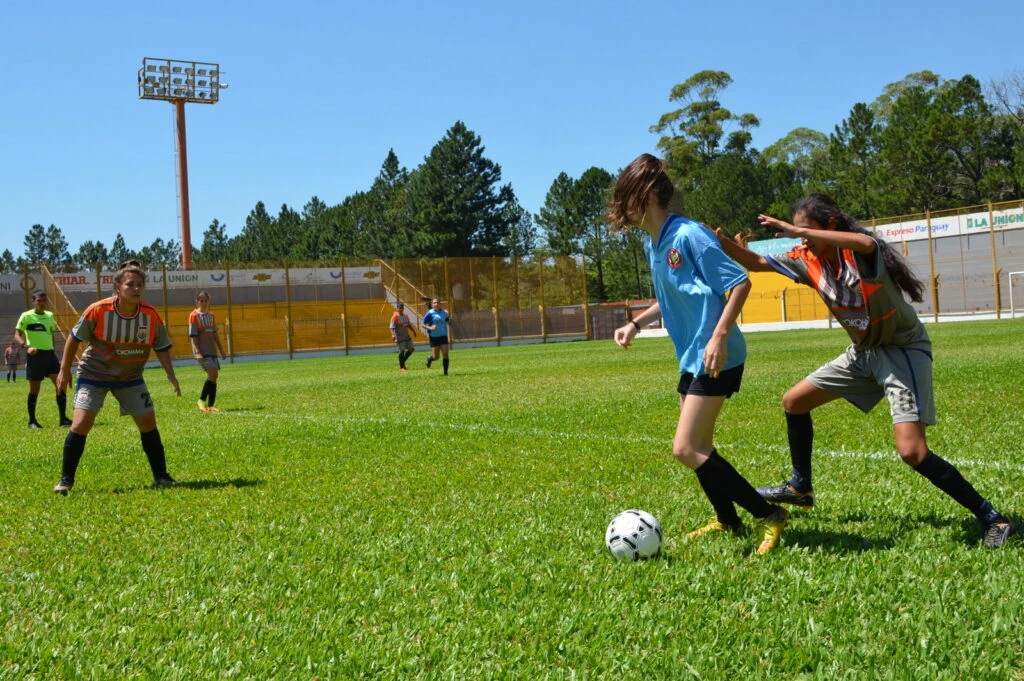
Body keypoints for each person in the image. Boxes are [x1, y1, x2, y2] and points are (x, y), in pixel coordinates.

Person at [717, 193, 1014, 548]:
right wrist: (719, 244)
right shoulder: (806, 259)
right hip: (863, 353)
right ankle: (800, 487)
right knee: (794, 401)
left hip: (901, 351)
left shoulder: (858, 252)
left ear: (831, 226)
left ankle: (993, 518)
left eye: (806, 230)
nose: (801, 238)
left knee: (912, 452)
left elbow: (865, 241)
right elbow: (756, 261)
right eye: (798, 231)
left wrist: (789, 228)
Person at [607, 153, 789, 554]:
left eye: (626, 199)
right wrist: (636, 323)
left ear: (647, 195)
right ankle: (727, 519)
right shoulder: (653, 243)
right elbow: (669, 294)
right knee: (700, 446)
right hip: (693, 356)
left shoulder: (689, 235)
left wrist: (719, 336)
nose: (621, 210)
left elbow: (739, 283)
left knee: (686, 448)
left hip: (717, 355)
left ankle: (769, 515)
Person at [52, 260, 181, 495]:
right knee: (81, 423)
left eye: (140, 284)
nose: (136, 289)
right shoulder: (98, 310)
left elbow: (161, 346)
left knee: (148, 423)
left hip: (130, 378)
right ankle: (66, 480)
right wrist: (64, 369)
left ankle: (161, 476)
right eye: (130, 284)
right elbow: (74, 338)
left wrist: (170, 374)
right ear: (118, 287)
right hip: (94, 374)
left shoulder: (150, 316)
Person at [15, 290, 71, 428]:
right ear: (33, 301)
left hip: (50, 355)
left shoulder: (50, 316)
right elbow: (17, 335)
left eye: (44, 301)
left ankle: (63, 419)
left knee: (60, 386)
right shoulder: (26, 316)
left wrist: (53, 352)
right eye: (39, 301)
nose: (42, 303)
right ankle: (32, 422)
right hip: (35, 357)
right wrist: (26, 346)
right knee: (35, 390)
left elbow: (49, 335)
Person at [189, 290, 228, 412]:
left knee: (214, 376)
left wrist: (221, 350)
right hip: (202, 351)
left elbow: (215, 334)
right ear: (197, 302)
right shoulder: (193, 316)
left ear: (208, 301)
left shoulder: (211, 315)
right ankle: (201, 401)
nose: (203, 302)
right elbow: (193, 336)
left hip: (212, 350)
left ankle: (210, 406)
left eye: (206, 300)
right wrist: (197, 352)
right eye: (201, 300)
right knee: (212, 374)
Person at [422, 298, 453, 376]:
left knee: (445, 354)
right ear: (432, 305)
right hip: (434, 337)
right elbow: (423, 324)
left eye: (438, 302)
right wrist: (430, 328)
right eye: (435, 303)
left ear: (440, 304)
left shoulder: (444, 312)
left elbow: (448, 321)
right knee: (436, 357)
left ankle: (445, 372)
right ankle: (430, 359)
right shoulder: (429, 313)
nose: (436, 304)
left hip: (443, 336)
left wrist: (449, 319)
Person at [389, 302, 417, 372]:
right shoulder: (395, 316)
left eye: (402, 308)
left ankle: (402, 362)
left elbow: (408, 325)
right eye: (399, 308)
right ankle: (402, 367)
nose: (401, 309)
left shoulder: (406, 315)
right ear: (397, 308)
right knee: (402, 351)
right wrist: (393, 335)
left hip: (406, 336)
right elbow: (391, 327)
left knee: (411, 349)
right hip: (399, 337)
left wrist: (413, 331)